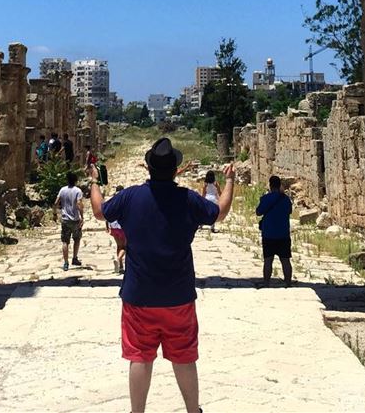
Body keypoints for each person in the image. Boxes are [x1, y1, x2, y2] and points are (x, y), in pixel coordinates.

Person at [90, 136, 235, 413]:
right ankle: (193, 410)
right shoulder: (188, 199)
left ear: (147, 168)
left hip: (139, 295)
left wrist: (95, 182)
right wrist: (229, 181)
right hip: (178, 295)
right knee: (184, 357)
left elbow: (99, 212)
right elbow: (219, 213)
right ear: (175, 170)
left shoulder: (131, 196)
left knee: (140, 358)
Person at [255, 175, 293, 287]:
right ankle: (288, 282)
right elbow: (290, 211)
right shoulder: (285, 199)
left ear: (270, 185)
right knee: (285, 260)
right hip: (283, 233)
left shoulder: (266, 198)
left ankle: (266, 282)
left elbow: (258, 212)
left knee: (268, 260)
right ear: (279, 185)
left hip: (269, 233)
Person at [54, 170, 84, 271]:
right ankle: (75, 258)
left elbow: (56, 202)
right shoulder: (78, 191)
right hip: (75, 219)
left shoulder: (62, 190)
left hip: (65, 219)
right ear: (75, 180)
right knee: (77, 238)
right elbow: (79, 204)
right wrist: (82, 217)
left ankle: (66, 263)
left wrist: (55, 213)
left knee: (65, 241)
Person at [106, 185, 127, 274]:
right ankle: (118, 259)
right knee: (126, 247)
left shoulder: (112, 200)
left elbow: (106, 213)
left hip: (113, 227)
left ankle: (121, 266)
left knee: (119, 246)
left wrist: (107, 226)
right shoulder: (125, 200)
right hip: (122, 227)